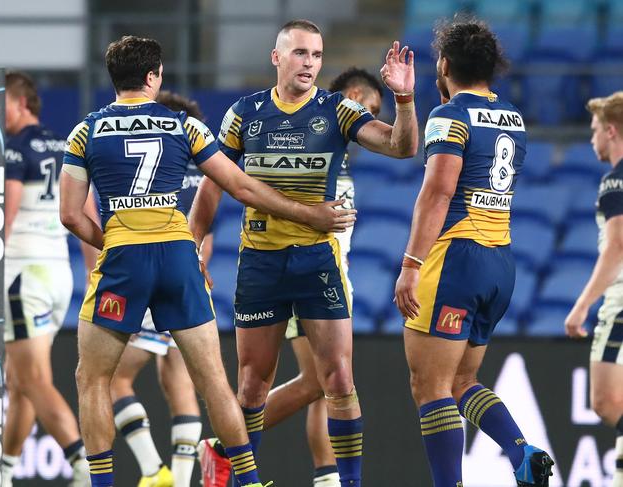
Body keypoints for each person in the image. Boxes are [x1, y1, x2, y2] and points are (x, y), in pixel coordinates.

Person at [59, 35, 354, 487]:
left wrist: (115, 242)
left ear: (113, 78)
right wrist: (307, 212)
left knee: (93, 378)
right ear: (154, 77)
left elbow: (70, 214)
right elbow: (241, 187)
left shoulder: (86, 131)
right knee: (214, 379)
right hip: (179, 256)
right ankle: (250, 481)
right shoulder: (185, 126)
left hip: (122, 260)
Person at [191, 19, 418, 487]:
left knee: (336, 378)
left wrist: (406, 100)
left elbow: (402, 146)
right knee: (252, 382)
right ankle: (240, 478)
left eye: (316, 55)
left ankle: (348, 483)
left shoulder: (337, 110)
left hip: (318, 261)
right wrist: (195, 240)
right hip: (260, 260)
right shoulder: (245, 113)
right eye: (299, 53)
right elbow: (214, 182)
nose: (309, 64)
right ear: (277, 57)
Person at [393, 17, 554, 487]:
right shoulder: (512, 117)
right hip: (499, 262)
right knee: (462, 382)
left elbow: (438, 193)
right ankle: (522, 451)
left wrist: (410, 266)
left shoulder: (449, 116)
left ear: (443, 64)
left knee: (429, 387)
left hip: (454, 260)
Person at [263, 68, 383, 487]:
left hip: (331, 276)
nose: (371, 121)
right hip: (306, 273)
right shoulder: (311, 141)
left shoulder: (339, 155)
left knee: (327, 383)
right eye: (370, 109)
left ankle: (327, 478)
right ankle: (226, 445)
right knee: (321, 381)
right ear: (351, 97)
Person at [108, 91, 212, 487]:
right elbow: (207, 240)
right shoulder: (201, 177)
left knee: (113, 380)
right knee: (179, 386)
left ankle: (153, 471)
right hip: (188, 285)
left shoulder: (154, 175)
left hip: (152, 280)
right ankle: (182, 481)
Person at [1, 71, 96, 487]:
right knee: (19, 381)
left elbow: (2, 219)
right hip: (59, 275)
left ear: (22, 103)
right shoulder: (66, 145)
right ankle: (2, 473)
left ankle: (82, 465)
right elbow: (86, 212)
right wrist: (94, 271)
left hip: (22, 273)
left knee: (33, 379)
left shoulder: (14, 148)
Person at [565, 91, 623, 486]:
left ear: (612, 131)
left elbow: (618, 245)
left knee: (604, 400)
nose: (592, 139)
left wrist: (583, 304)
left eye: (595, 130)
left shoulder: (615, 179)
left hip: (620, 303)